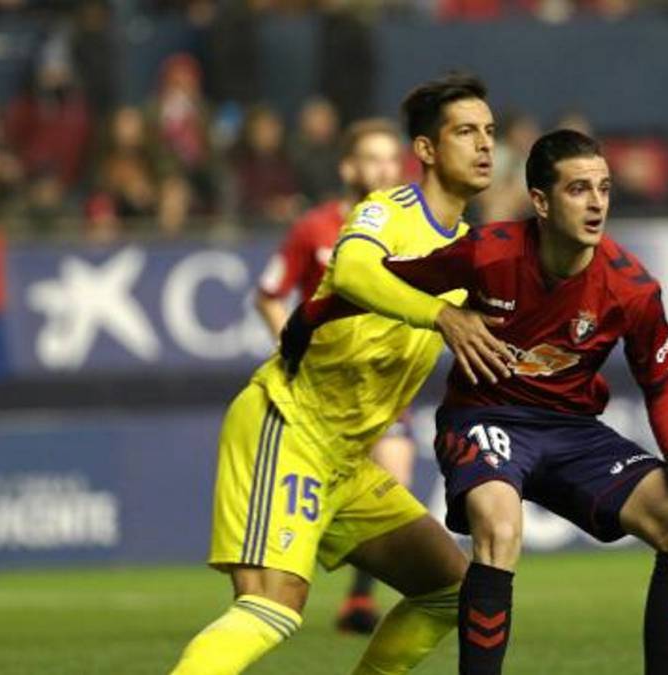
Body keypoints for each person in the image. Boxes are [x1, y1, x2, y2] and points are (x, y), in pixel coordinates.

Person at [286, 129, 668, 675]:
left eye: (603, 189)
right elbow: (394, 282)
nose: (596, 203)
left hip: (571, 430)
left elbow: (660, 383)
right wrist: (311, 317)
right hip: (483, 419)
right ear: (540, 200)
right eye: (578, 189)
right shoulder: (490, 252)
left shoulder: (631, 288)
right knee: (500, 525)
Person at [169, 72, 512, 675]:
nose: (484, 144)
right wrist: (442, 316)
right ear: (426, 151)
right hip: (290, 426)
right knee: (274, 604)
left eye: (489, 131)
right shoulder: (388, 209)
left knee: (452, 589)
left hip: (346, 461)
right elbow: (353, 272)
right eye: (465, 131)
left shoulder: (469, 252)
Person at [253, 117, 419, 635]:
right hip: (320, 390)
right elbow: (269, 293)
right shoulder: (314, 228)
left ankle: (358, 601)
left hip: (380, 386)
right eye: (372, 157)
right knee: (308, 501)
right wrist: (293, 348)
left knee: (393, 475)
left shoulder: (411, 232)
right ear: (349, 166)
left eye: (391, 158)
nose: (383, 167)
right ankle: (271, 593)